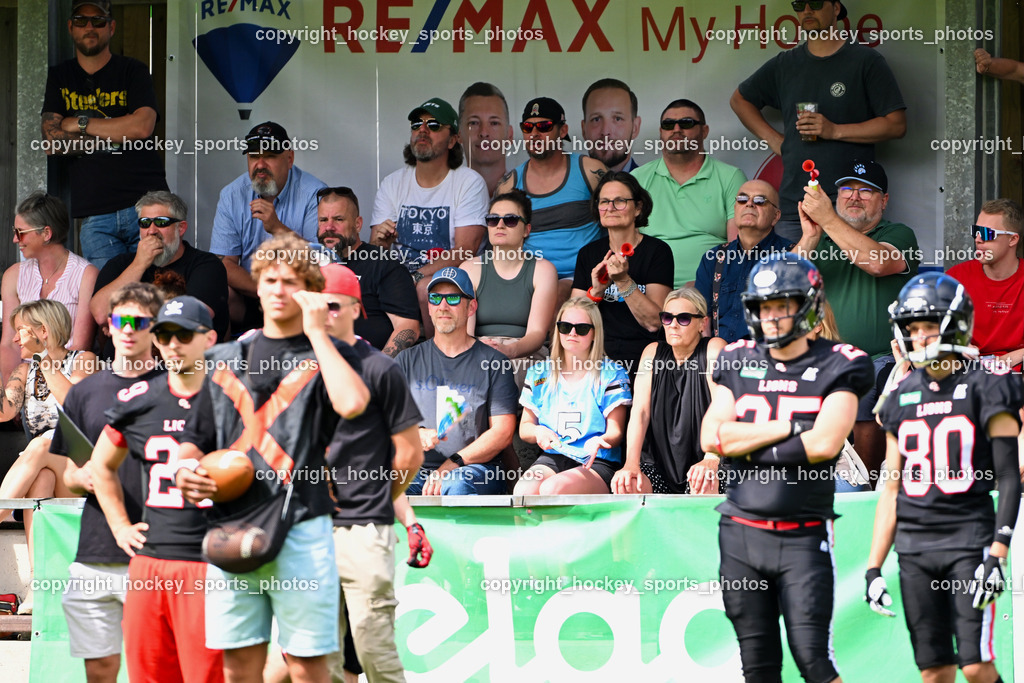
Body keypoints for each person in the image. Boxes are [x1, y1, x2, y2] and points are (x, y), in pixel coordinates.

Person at [175, 232, 370, 683]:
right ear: (257, 285)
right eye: (270, 279)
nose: (279, 290)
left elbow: (353, 404)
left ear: (309, 291)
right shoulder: (220, 358)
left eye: (291, 281)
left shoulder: (332, 356)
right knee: (239, 667)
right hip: (231, 524)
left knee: (308, 666)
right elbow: (194, 437)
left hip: (302, 524)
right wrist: (186, 470)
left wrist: (317, 333)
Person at [699, 252, 873, 683]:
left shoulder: (841, 360)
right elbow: (712, 438)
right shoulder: (737, 357)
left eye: (782, 305)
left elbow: (824, 444)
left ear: (809, 305)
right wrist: (790, 427)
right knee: (757, 667)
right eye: (763, 307)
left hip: (803, 535)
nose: (771, 317)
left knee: (814, 663)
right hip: (740, 534)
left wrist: (746, 441)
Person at [867, 272, 1022, 683]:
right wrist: (873, 566)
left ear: (955, 324)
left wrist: (998, 551)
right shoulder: (899, 396)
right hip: (914, 547)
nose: (919, 337)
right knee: (934, 671)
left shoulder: (989, 384)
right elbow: (892, 487)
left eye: (928, 326)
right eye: (912, 327)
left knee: (974, 664)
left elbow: (1009, 474)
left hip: (969, 541)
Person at [90, 296, 224, 683]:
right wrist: (120, 526)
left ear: (210, 338)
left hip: (210, 561)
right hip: (149, 562)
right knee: (147, 675)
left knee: (206, 676)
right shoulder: (141, 398)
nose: (173, 344)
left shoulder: (232, 398)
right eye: (164, 335)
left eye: (184, 334)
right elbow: (101, 465)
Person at [318, 264, 423, 682]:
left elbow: (408, 455)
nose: (323, 314)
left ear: (356, 309)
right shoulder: (295, 367)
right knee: (316, 658)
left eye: (333, 305)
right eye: (316, 305)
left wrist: (381, 499)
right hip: (307, 527)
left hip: (363, 525)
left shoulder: (381, 368)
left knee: (372, 650)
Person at [55, 282, 163, 683]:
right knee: (100, 670)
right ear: (108, 326)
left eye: (140, 322)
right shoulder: (83, 393)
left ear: (155, 329)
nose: (129, 329)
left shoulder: (176, 388)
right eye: (121, 320)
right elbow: (68, 474)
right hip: (96, 548)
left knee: (153, 668)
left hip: (158, 547)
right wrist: (81, 476)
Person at [730, 0, 906, 241]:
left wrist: (834, 130)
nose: (807, 10)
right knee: (792, 267)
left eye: (815, 2)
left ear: (836, 8)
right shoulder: (785, 64)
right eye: (799, 4)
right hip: (796, 203)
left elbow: (896, 124)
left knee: (845, 267)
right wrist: (775, 140)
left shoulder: (865, 60)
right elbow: (739, 100)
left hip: (848, 203)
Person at [799, 158, 919, 475]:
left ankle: (865, 484)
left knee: (864, 386)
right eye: (847, 189)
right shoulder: (820, 238)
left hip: (881, 357)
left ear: (884, 200)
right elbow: (784, 287)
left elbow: (877, 262)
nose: (854, 196)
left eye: (866, 191)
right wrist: (810, 237)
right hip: (822, 357)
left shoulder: (898, 233)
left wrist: (827, 219)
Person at [40, 0, 169, 267]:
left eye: (98, 20)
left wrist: (80, 123)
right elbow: (53, 141)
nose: (90, 26)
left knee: (156, 288)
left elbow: (142, 127)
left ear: (111, 27)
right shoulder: (60, 76)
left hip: (146, 206)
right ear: (70, 27)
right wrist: (119, 130)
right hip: (96, 215)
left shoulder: (133, 70)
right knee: (109, 292)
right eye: (81, 20)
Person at [0, 300, 96, 611]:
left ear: (43, 331)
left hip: (82, 471)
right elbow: (4, 412)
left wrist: (42, 356)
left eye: (21, 331)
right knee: (40, 478)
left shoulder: (85, 361)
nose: (15, 339)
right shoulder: (24, 369)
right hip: (45, 469)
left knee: (42, 444)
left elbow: (73, 403)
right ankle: (38, 585)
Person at [370, 96, 488, 333]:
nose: (422, 130)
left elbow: (466, 250)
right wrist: (381, 243)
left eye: (433, 125)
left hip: (451, 277)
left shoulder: (468, 182)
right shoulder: (392, 183)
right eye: (417, 125)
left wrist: (413, 276)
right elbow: (375, 251)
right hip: (402, 277)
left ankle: (436, 351)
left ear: (453, 140)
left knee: (426, 288)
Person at [395, 268, 517, 495]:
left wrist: (453, 464)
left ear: (471, 307)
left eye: (452, 298)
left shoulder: (494, 363)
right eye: (435, 298)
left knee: (455, 483)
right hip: (417, 469)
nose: (443, 306)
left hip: (476, 469)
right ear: (428, 307)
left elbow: (502, 432)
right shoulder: (406, 360)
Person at [211, 121, 326, 333]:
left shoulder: (314, 193)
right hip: (251, 293)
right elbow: (224, 264)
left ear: (289, 159)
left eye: (270, 156)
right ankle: (226, 353)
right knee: (216, 291)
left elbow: (323, 261)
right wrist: (267, 291)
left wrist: (277, 228)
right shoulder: (232, 194)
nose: (260, 164)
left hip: (299, 296)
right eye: (254, 156)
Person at [514, 297, 632, 495]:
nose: (572, 333)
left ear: (595, 333)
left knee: (554, 489)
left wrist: (601, 440)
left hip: (596, 460)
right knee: (523, 491)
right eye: (565, 327)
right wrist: (538, 431)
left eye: (582, 328)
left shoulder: (611, 373)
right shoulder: (539, 372)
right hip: (554, 456)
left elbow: (616, 432)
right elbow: (525, 427)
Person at [614, 288, 725, 495]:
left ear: (702, 323)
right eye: (667, 318)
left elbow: (723, 408)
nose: (673, 324)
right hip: (659, 465)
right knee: (628, 484)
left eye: (683, 319)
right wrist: (631, 463)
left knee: (703, 482)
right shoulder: (652, 352)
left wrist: (711, 458)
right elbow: (640, 413)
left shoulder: (713, 348)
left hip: (709, 459)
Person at [495, 96, 606, 298]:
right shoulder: (509, 184)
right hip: (531, 277)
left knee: (556, 293)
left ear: (562, 131)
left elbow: (621, 219)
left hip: (585, 276)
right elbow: (499, 242)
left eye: (544, 126)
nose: (534, 134)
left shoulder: (589, 170)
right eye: (527, 127)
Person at [91, 190, 230, 351]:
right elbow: (101, 314)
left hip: (183, 360)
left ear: (181, 228)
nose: (151, 230)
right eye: (144, 223)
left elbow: (189, 319)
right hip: (123, 363)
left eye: (161, 222)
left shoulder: (206, 265)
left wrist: (122, 322)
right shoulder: (121, 264)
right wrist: (139, 264)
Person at [632, 98, 746, 286]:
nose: (676, 129)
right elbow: (626, 243)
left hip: (710, 287)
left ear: (704, 131)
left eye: (686, 123)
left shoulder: (731, 177)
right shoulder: (637, 178)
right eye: (668, 124)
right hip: (648, 288)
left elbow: (739, 247)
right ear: (661, 132)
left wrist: (706, 284)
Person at [571, 171, 674, 373]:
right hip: (598, 355)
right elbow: (572, 322)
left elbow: (654, 323)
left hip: (645, 357)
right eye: (604, 202)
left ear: (638, 208)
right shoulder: (588, 253)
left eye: (620, 201)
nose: (610, 208)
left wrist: (623, 281)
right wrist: (596, 293)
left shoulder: (657, 251)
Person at [695, 180, 816, 343]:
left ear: (776, 216)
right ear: (735, 209)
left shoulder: (794, 253)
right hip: (720, 355)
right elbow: (701, 322)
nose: (749, 204)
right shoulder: (714, 258)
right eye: (742, 199)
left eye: (760, 200)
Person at [461, 189, 558, 384]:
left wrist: (509, 351)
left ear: (526, 230)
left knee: (509, 371)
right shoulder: (470, 268)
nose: (500, 225)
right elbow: (465, 333)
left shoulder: (543, 270)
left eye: (511, 220)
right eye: (493, 220)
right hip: (477, 349)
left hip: (525, 353)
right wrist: (482, 349)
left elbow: (537, 334)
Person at [1, 192, 96, 379]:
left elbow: (80, 347)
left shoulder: (86, 274)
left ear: (46, 233)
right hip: (22, 378)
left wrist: (46, 385)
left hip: (66, 377)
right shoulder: (13, 275)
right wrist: (11, 386)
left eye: (20, 233)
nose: (15, 239)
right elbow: (9, 344)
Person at [316, 186, 420, 357]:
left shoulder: (382, 263)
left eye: (338, 219)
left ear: (358, 224)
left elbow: (408, 327)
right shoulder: (309, 266)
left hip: (366, 363)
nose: (329, 227)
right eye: (323, 220)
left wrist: (378, 366)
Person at [946, 199, 1024, 370]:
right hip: (966, 374)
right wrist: (955, 345)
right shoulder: (955, 278)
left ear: (1012, 239)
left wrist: (1012, 358)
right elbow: (926, 333)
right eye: (976, 231)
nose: (978, 239)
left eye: (987, 233)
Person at [459, 82, 514, 196]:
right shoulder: (443, 196)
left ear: (509, 135)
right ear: (459, 135)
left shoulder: (532, 196)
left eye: (494, 123)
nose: (484, 133)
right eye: (474, 123)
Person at [581, 78, 641, 173]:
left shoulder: (651, 183)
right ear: (583, 129)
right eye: (596, 119)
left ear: (635, 128)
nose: (605, 132)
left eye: (618, 119)